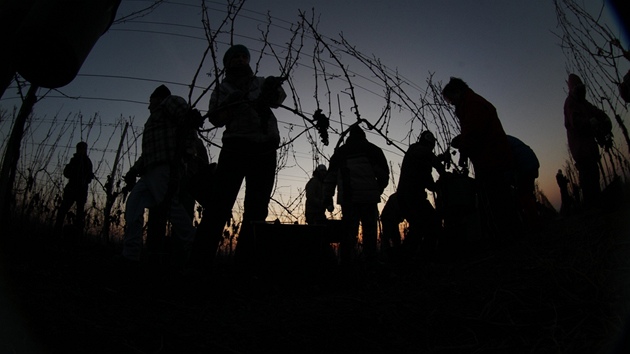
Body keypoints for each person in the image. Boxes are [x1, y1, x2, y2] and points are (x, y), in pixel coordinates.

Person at [191, 44, 287, 271]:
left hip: (264, 149)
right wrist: (230, 103)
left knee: (257, 209)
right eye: (236, 57)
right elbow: (216, 119)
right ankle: (199, 265)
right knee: (219, 205)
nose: (241, 60)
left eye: (244, 56)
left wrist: (272, 88)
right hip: (234, 148)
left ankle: (246, 267)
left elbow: (277, 99)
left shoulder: (260, 82)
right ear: (227, 63)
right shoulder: (221, 89)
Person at [120, 84, 197, 271]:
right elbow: (148, 154)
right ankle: (130, 256)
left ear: (158, 98)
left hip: (165, 168)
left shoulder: (169, 102)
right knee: (134, 205)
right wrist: (133, 171)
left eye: (150, 101)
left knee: (172, 207)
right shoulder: (155, 119)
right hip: (150, 172)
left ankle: (195, 250)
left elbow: (189, 123)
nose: (148, 106)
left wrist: (186, 154)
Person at [442, 77, 516, 239]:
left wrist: (461, 146)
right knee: (499, 196)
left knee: (495, 198)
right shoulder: (472, 103)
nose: (451, 103)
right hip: (492, 157)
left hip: (490, 159)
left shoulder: (472, 105)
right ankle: (508, 233)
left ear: (458, 92)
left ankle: (505, 235)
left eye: (450, 99)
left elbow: (473, 134)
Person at [323, 124, 389, 268]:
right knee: (370, 232)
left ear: (349, 138)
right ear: (363, 137)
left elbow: (330, 178)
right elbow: (384, 175)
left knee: (348, 233)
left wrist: (327, 197)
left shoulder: (340, 152)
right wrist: (378, 189)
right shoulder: (373, 150)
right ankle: (370, 262)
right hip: (369, 199)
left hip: (349, 199)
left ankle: (346, 264)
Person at [390, 131, 445, 262]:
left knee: (419, 227)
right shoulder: (417, 151)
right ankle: (420, 258)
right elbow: (427, 158)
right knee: (431, 223)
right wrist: (439, 166)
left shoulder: (419, 158)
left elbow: (427, 179)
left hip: (409, 197)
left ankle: (408, 258)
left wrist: (436, 183)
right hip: (412, 198)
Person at [563, 73, 611, 209]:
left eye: (581, 88)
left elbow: (596, 112)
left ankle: (596, 204)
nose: (581, 91)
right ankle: (591, 206)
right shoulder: (570, 103)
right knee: (587, 175)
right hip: (580, 148)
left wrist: (604, 119)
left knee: (594, 173)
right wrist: (589, 122)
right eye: (577, 89)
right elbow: (575, 122)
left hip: (590, 147)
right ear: (572, 89)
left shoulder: (584, 103)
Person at [54, 141, 94, 235]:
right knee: (63, 210)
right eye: (79, 148)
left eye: (83, 149)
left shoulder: (87, 162)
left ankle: (77, 233)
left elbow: (88, 178)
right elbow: (67, 173)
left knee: (79, 214)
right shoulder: (74, 160)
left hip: (81, 191)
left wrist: (86, 177)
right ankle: (57, 230)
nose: (81, 150)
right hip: (71, 190)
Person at [506, 135, 540, 230]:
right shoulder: (506, 139)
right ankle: (535, 220)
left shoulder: (499, 142)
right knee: (527, 194)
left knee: (524, 195)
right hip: (529, 162)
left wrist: (508, 179)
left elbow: (506, 161)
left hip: (525, 165)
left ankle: (534, 223)